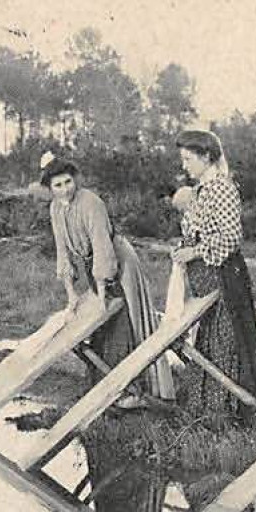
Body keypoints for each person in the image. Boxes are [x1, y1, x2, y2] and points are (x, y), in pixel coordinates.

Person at [41, 151, 174, 405]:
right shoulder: (55, 210)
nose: (65, 189)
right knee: (100, 328)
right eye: (58, 185)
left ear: (75, 180)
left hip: (118, 263)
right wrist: (71, 296)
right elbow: (63, 253)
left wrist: (102, 295)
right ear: (50, 189)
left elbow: (102, 248)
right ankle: (105, 387)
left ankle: (133, 390)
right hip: (93, 267)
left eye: (68, 182)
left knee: (124, 321)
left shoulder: (90, 202)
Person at [172, 130, 256, 424]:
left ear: (206, 157)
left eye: (188, 159)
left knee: (227, 343)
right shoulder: (201, 189)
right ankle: (209, 410)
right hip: (207, 278)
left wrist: (195, 252)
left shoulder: (223, 188)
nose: (184, 165)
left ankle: (232, 414)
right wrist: (184, 248)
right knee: (209, 340)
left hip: (225, 277)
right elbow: (198, 231)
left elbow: (231, 239)